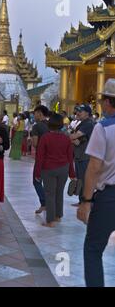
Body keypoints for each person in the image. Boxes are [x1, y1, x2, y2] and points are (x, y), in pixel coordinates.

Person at [77, 79, 115, 287]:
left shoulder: (103, 128)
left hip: (108, 197)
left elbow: (93, 167)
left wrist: (86, 201)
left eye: (102, 100)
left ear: (108, 102)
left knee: (93, 249)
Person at [35, 113, 76, 227]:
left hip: (48, 168)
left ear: (49, 124)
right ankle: (58, 216)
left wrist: (37, 172)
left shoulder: (45, 137)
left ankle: (50, 220)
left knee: (49, 194)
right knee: (59, 192)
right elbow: (70, 156)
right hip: (63, 168)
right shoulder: (66, 138)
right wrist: (72, 173)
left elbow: (40, 157)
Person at [70, 104, 95, 207]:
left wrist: (71, 136)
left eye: (81, 111)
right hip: (79, 154)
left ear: (87, 113)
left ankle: (86, 202)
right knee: (80, 178)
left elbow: (74, 136)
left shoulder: (88, 124)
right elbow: (76, 141)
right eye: (78, 111)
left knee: (84, 179)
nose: (78, 113)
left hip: (85, 156)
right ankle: (81, 201)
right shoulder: (82, 123)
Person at [30, 105, 50, 214]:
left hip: (41, 158)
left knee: (36, 181)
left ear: (40, 113)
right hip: (52, 158)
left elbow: (35, 143)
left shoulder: (36, 127)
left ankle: (44, 203)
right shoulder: (51, 125)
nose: (34, 115)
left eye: (35, 113)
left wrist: (31, 139)